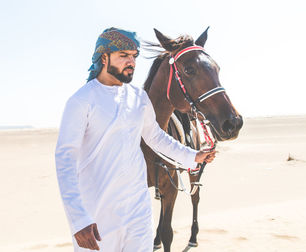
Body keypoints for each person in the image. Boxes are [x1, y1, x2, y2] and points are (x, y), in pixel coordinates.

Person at [55, 27, 216, 251]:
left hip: (138, 213)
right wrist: (78, 219)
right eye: (123, 55)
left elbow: (156, 137)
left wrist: (193, 156)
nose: (131, 61)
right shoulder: (82, 101)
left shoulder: (138, 98)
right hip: (98, 215)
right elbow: (65, 160)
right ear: (104, 57)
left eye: (134, 56)